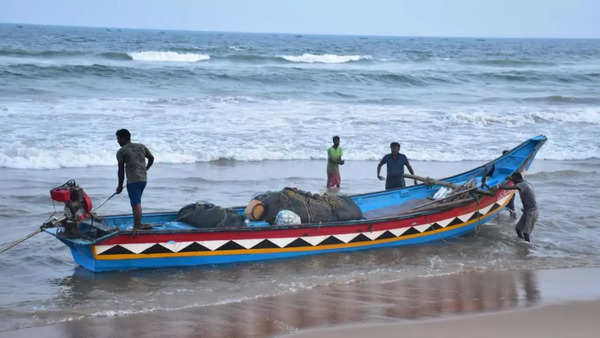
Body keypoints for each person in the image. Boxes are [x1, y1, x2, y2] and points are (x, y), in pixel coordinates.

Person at [115, 129, 154, 229]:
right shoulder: (141, 146)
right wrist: (146, 169)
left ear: (123, 138)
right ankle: (138, 223)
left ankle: (137, 226)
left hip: (133, 181)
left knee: (135, 204)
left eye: (118, 138)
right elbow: (151, 158)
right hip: (143, 180)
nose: (117, 141)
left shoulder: (121, 151)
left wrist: (119, 186)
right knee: (137, 202)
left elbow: (121, 171)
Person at [499, 172, 538, 242]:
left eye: (513, 180)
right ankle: (521, 243)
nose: (512, 181)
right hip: (527, 211)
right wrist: (510, 178)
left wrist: (499, 186)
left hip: (531, 212)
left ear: (517, 179)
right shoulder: (525, 182)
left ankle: (528, 249)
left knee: (526, 233)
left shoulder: (522, 185)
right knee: (518, 229)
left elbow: (508, 188)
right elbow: (516, 181)